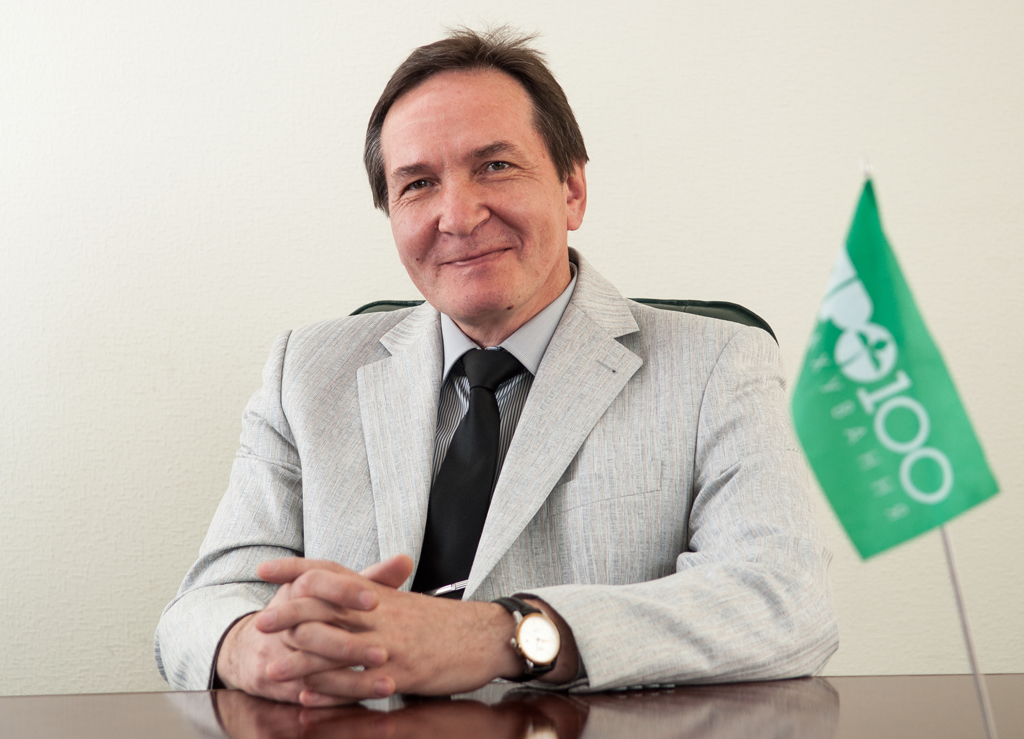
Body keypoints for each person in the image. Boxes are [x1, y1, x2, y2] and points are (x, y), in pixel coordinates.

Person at [155, 28, 838, 705]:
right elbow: (201, 606)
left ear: (572, 190)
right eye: (419, 184)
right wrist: (249, 646)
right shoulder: (305, 372)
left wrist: (501, 635)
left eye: (495, 167)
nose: (457, 215)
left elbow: (784, 600)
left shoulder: (719, 363)